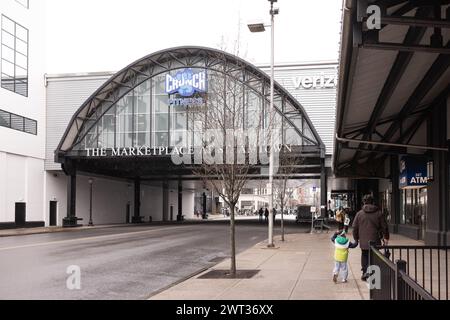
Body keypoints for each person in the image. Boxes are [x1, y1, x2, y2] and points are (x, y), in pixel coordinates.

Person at [352, 194, 390, 281]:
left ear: (364, 202)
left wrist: (356, 238)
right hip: (375, 239)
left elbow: (355, 227)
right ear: (373, 202)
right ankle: (372, 272)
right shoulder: (379, 213)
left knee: (364, 255)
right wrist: (386, 237)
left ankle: (365, 272)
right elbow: (384, 227)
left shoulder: (359, 214)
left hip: (364, 241)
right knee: (374, 256)